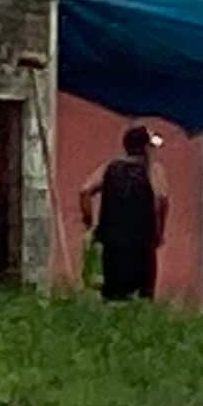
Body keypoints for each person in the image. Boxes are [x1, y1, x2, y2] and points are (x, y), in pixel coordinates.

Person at [82, 125, 165, 301]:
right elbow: (160, 200)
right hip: (141, 245)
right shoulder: (152, 170)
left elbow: (85, 191)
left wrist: (89, 223)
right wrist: (158, 233)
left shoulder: (109, 168)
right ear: (145, 148)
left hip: (112, 244)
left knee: (112, 294)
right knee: (143, 297)